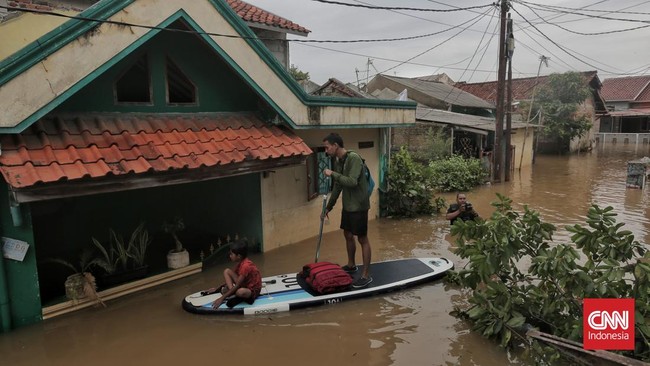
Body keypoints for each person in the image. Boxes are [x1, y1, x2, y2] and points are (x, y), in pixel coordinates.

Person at [322, 133, 373, 288]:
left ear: (335, 145)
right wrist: (328, 207)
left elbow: (351, 182)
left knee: (362, 238)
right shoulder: (339, 161)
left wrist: (333, 174)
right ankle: (351, 265)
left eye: (327, 147)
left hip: (359, 206)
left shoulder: (353, 159)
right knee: (347, 234)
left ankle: (366, 274)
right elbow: (338, 186)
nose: (325, 151)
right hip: (348, 206)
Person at [208, 240, 262, 309]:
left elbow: (237, 285)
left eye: (231, 254)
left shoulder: (246, 266)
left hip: (252, 290)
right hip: (244, 284)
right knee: (227, 271)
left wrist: (221, 298)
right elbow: (231, 279)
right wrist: (217, 288)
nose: (230, 256)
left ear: (238, 256)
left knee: (240, 292)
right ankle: (232, 293)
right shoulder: (240, 264)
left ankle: (235, 294)